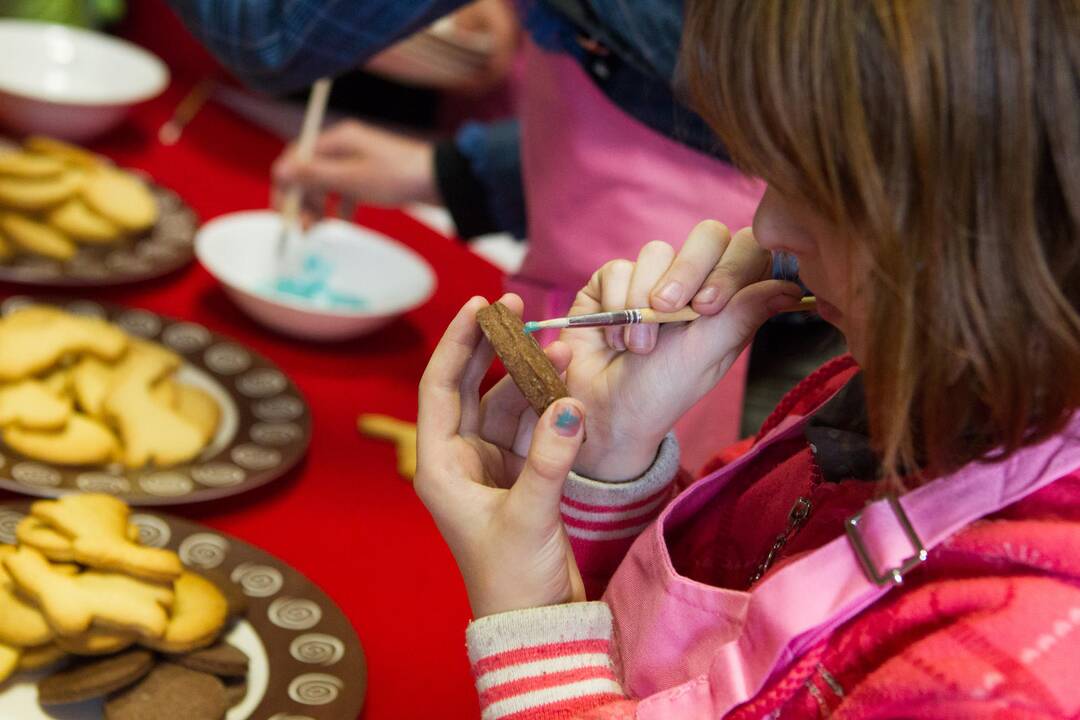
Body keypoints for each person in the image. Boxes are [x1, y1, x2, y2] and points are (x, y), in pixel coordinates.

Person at [415, 0, 1080, 717]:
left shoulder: (1002, 676)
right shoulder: (893, 389)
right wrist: (614, 455)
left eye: (823, 185)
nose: (768, 227)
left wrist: (526, 622)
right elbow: (687, 663)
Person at [167, 0, 771, 465]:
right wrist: (453, 173)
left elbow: (271, 31)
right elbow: (640, 91)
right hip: (607, 297)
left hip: (703, 341)